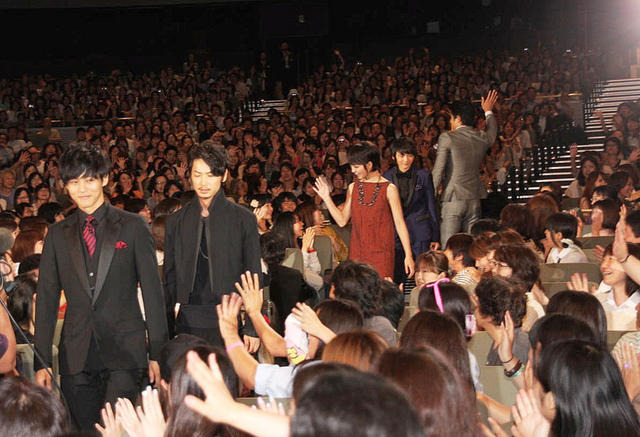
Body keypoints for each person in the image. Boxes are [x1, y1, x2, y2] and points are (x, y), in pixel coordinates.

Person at [34, 144, 169, 431]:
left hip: (126, 353)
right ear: (65, 186)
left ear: (105, 178)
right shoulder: (57, 234)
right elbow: (46, 299)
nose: (82, 189)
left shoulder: (133, 226)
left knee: (116, 430)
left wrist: (157, 353)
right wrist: (41, 361)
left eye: (89, 180)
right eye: (74, 182)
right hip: (76, 355)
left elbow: (152, 293)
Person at [163, 140, 262, 348]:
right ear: (189, 176)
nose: (203, 182)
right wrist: (166, 326)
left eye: (210, 175)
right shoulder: (176, 221)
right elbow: (169, 277)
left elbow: (253, 273)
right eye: (197, 175)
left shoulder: (243, 219)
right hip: (188, 317)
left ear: (224, 175)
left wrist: (253, 326)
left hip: (230, 314)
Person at [314, 143, 414, 279]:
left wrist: (408, 255)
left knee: (379, 289)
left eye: (356, 167)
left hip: (382, 254)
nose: (352, 170)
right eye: (351, 166)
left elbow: (400, 223)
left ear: (369, 165)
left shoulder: (389, 189)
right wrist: (326, 198)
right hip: (357, 253)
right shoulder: (353, 188)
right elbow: (342, 221)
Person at [432, 90, 498, 246]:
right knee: (471, 247)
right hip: (474, 198)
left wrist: (430, 196)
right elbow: (492, 133)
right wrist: (488, 111)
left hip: (453, 198)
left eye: (451, 118)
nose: (450, 122)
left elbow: (438, 171)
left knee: (449, 246)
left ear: (458, 118)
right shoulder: (481, 136)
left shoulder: (447, 137)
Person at [383, 137, 439, 284]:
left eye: (409, 155)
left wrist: (435, 236)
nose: (405, 160)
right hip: (395, 234)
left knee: (423, 273)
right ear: (394, 156)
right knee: (397, 274)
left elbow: (432, 206)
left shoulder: (424, 176)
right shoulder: (386, 177)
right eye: (401, 155)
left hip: (420, 231)